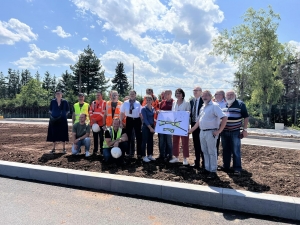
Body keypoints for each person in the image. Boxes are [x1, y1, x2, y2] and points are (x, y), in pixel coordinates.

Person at [189, 90, 227, 179]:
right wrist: (191, 130)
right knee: (205, 151)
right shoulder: (203, 107)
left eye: (206, 95)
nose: (204, 97)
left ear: (210, 96)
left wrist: (219, 131)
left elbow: (224, 117)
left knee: (212, 152)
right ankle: (207, 168)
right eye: (203, 96)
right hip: (202, 132)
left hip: (211, 132)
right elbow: (198, 121)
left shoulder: (214, 106)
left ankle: (213, 171)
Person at [221, 90, 249, 176]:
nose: (229, 96)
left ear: (235, 96)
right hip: (224, 131)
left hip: (235, 131)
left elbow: (246, 117)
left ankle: (237, 168)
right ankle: (226, 166)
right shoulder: (224, 105)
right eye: (228, 95)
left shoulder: (240, 104)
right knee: (225, 150)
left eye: (231, 94)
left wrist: (244, 129)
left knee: (236, 150)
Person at [169, 88, 191, 165]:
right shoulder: (174, 103)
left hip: (184, 125)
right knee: (175, 141)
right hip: (175, 125)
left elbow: (189, 114)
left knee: (185, 142)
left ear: (182, 95)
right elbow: (172, 113)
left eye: (179, 93)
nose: (178, 95)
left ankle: (185, 158)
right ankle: (176, 157)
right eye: (177, 93)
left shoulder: (187, 103)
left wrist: (186, 113)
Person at [120, 90, 142, 158]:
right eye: (131, 94)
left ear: (135, 95)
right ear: (129, 95)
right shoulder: (125, 103)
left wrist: (142, 122)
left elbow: (140, 113)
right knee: (128, 136)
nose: (132, 95)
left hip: (137, 120)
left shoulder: (138, 103)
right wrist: (120, 121)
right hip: (129, 119)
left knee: (138, 137)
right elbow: (122, 113)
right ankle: (128, 153)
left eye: (133, 94)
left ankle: (139, 154)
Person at [189, 86, 204, 169]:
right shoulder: (192, 101)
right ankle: (197, 162)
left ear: (201, 92)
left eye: (196, 90)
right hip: (193, 124)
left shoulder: (204, 101)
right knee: (196, 144)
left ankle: (204, 163)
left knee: (202, 144)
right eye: (194, 90)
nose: (195, 92)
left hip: (202, 125)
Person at [157, 89, 173, 160]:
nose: (166, 95)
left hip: (169, 125)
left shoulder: (174, 102)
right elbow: (158, 110)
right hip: (162, 124)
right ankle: (162, 155)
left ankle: (170, 155)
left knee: (169, 141)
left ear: (171, 94)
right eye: (165, 94)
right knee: (161, 140)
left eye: (168, 94)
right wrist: (158, 111)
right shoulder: (162, 102)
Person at [89, 90, 106, 155]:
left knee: (101, 137)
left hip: (101, 123)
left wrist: (96, 119)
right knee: (95, 137)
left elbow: (103, 113)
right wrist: (93, 120)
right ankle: (95, 150)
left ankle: (101, 150)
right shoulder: (93, 103)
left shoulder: (104, 103)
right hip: (94, 124)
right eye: (97, 95)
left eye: (99, 95)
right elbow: (90, 111)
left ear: (102, 95)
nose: (97, 96)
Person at [141, 95, 156, 162]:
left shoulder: (153, 109)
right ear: (145, 101)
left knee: (150, 141)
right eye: (147, 100)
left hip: (152, 127)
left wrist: (153, 127)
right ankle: (143, 156)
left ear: (152, 101)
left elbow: (154, 118)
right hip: (146, 127)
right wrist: (150, 128)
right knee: (144, 141)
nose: (148, 101)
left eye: (150, 100)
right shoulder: (143, 109)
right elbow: (145, 119)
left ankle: (150, 155)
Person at [213, 90, 226, 156]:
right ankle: (215, 161)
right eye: (215, 94)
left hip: (225, 126)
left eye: (217, 94)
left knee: (225, 145)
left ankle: (226, 163)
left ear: (222, 95)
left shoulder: (227, 103)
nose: (215, 96)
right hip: (215, 126)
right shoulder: (212, 102)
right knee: (215, 144)